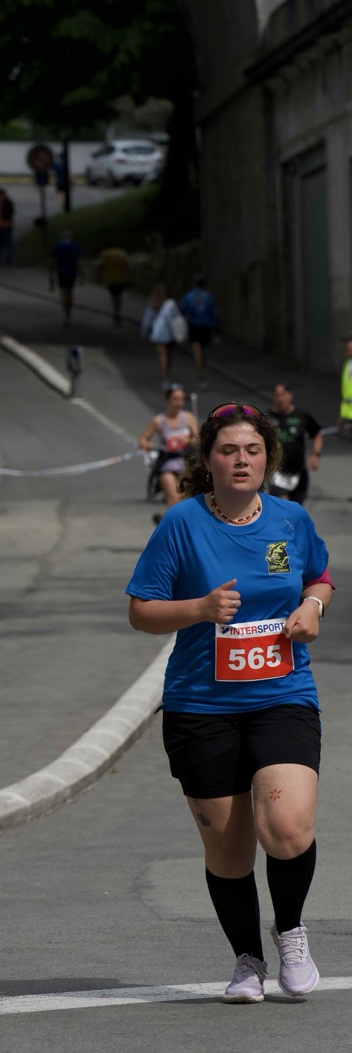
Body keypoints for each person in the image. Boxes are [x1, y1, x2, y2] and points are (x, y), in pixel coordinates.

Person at [126, 402, 333, 1005]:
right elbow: (141, 610)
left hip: (282, 695)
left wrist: (312, 607)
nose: (241, 460)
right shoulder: (181, 523)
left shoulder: (291, 519)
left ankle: (291, 933)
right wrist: (199, 609)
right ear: (208, 459)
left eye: (252, 450)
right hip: (201, 706)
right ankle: (247, 961)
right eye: (228, 450)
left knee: (286, 829)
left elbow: (320, 577)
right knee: (229, 848)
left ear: (267, 458)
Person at [138, 384, 198, 523]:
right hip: (167, 464)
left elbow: (198, 439)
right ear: (167, 399)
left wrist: (188, 440)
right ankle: (172, 528)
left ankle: (165, 522)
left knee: (185, 500)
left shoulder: (188, 418)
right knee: (173, 499)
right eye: (175, 399)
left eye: (181, 399)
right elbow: (143, 439)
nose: (179, 403)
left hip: (185, 463)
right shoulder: (159, 421)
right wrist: (146, 445)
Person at [268, 383, 323, 505]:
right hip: (277, 471)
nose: (280, 399)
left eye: (283, 395)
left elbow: (317, 434)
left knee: (296, 508)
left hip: (298, 470)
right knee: (283, 505)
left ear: (290, 395)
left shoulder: (301, 415)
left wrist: (315, 454)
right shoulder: (267, 418)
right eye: (277, 395)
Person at [179, 275, 220, 388]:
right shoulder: (209, 296)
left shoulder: (189, 296)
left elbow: (182, 310)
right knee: (203, 350)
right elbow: (214, 314)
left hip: (194, 326)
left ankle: (200, 377)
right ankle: (201, 371)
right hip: (206, 327)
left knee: (197, 352)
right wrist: (217, 332)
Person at [140, 282, 179, 389]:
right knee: (168, 356)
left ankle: (165, 379)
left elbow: (147, 321)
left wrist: (143, 333)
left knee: (163, 356)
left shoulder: (152, 304)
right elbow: (177, 318)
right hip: (169, 334)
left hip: (158, 334)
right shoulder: (170, 304)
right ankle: (167, 376)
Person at [49, 229, 83, 321]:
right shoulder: (75, 246)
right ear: (70, 237)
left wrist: (51, 275)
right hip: (72, 273)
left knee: (64, 293)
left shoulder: (57, 246)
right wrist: (81, 275)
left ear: (61, 237)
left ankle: (66, 313)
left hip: (61, 273)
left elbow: (53, 262)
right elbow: (79, 262)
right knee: (70, 292)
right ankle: (69, 311)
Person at [97, 246, 131, 325]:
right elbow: (128, 265)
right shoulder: (122, 253)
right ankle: (117, 311)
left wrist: (99, 276)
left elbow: (101, 265)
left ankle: (116, 312)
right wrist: (128, 276)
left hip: (110, 279)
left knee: (114, 296)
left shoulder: (106, 253)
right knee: (118, 296)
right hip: (121, 278)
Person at [337, 332, 352, 439]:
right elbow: (347, 396)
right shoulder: (347, 364)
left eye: (348, 342)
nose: (346, 346)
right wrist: (342, 416)